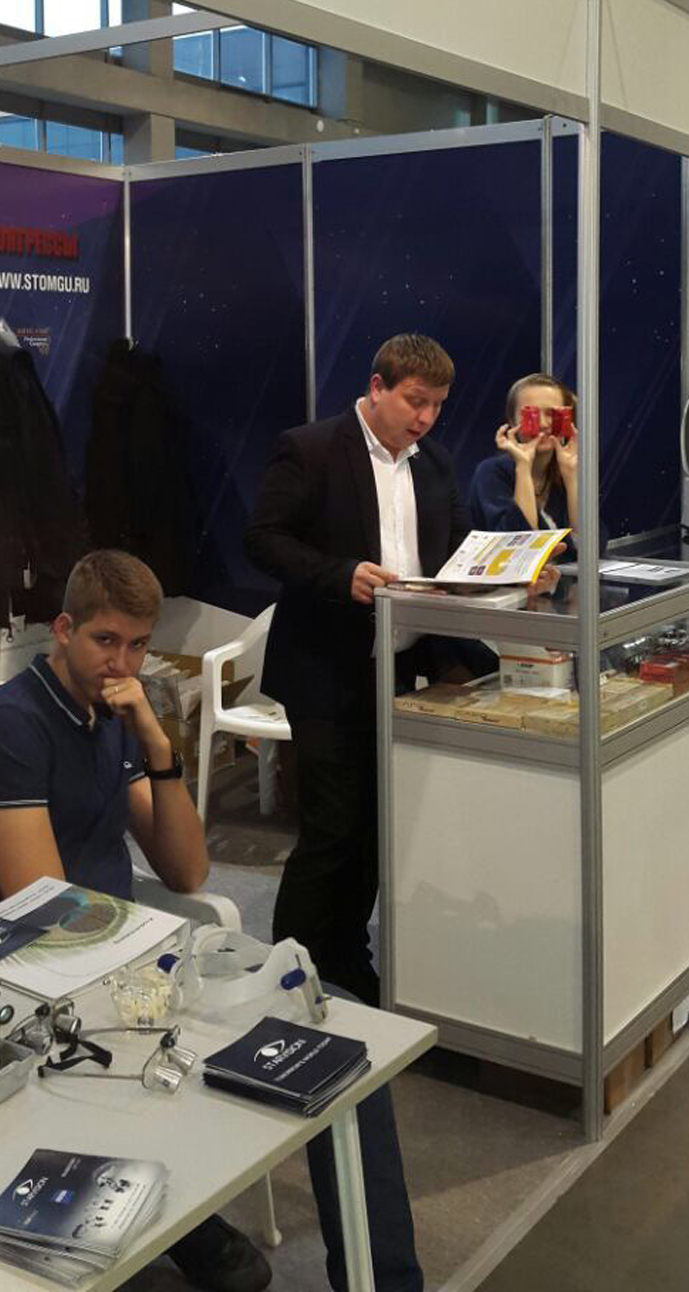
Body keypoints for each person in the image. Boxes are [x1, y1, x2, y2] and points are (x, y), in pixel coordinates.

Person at [0, 548, 422, 1292]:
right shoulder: (11, 727)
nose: (121, 662)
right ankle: (175, 1214)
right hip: (23, 983)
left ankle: (384, 1281)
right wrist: (151, 969)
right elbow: (46, 909)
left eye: (136, 645)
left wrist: (158, 747)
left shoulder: (111, 716)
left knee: (344, 1036)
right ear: (62, 630)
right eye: (104, 640)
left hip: (114, 963)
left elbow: (187, 871)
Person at [244, 332, 490, 1011]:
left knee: (376, 829)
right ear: (377, 387)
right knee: (331, 829)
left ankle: (349, 955)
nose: (426, 418)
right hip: (325, 670)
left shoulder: (436, 463)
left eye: (437, 405)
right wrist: (339, 574)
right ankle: (289, 970)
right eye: (415, 401)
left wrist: (509, 574)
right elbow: (261, 540)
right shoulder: (311, 448)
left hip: (399, 671)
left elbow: (456, 554)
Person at [469, 371, 594, 547]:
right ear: (512, 422)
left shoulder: (569, 469)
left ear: (567, 420)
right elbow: (519, 546)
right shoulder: (490, 473)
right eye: (531, 415)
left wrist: (571, 476)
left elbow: (591, 545)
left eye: (552, 414)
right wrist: (523, 467)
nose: (542, 424)